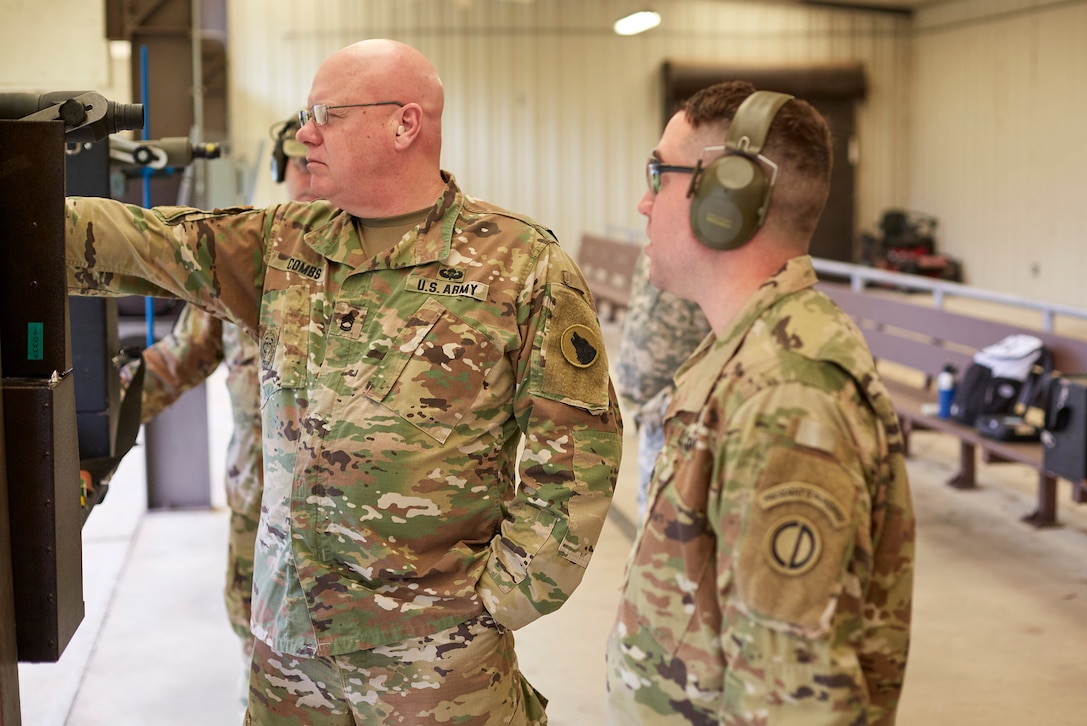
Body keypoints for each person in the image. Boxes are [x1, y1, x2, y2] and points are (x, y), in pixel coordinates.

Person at [65, 39, 622, 724]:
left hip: (437, 665)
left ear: (404, 124)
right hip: (289, 654)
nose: (305, 134)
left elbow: (577, 454)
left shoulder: (519, 264)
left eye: (325, 113)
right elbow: (140, 241)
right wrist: (22, 208)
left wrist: (502, 600)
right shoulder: (283, 242)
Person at [605, 80, 915, 724]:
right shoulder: (747, 356)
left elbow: (793, 700)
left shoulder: (787, 397)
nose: (642, 201)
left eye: (659, 172)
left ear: (727, 197)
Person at [119, 117, 314, 710]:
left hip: (365, 528)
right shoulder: (252, 263)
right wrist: (92, 423)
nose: (305, 176)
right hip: (259, 505)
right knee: (261, 652)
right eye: (297, 163)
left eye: (314, 162)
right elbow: (183, 357)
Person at [614, 251, 710, 521]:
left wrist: (686, 393)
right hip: (647, 406)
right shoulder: (652, 249)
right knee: (648, 497)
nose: (646, 208)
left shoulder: (710, 252)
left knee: (666, 510)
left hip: (680, 405)